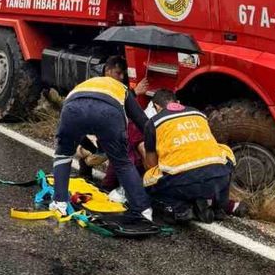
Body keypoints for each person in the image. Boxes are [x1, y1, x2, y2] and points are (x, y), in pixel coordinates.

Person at [51, 56, 152, 221]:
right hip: (108, 114)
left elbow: (72, 126)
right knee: (123, 163)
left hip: (72, 108)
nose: (121, 77)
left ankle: (59, 204)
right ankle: (143, 211)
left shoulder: (84, 85)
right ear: (108, 72)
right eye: (119, 73)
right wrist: (154, 142)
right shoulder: (121, 88)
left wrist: (82, 145)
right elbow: (143, 122)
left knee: (62, 156)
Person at [142, 89, 247, 224]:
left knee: (148, 179)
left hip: (184, 183)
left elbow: (151, 164)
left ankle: (181, 209)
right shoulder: (199, 114)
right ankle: (221, 204)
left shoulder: (153, 123)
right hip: (219, 177)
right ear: (178, 103)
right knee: (222, 153)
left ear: (156, 107)